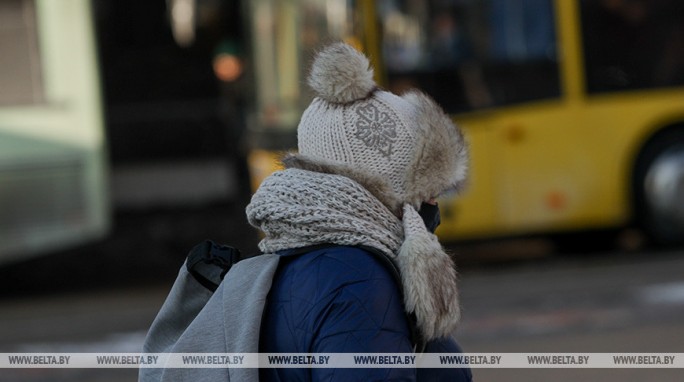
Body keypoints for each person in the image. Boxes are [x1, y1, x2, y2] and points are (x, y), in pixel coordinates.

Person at [246, 42, 472, 381]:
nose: (434, 205)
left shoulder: (295, 262)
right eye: (426, 191)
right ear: (388, 190)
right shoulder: (358, 281)